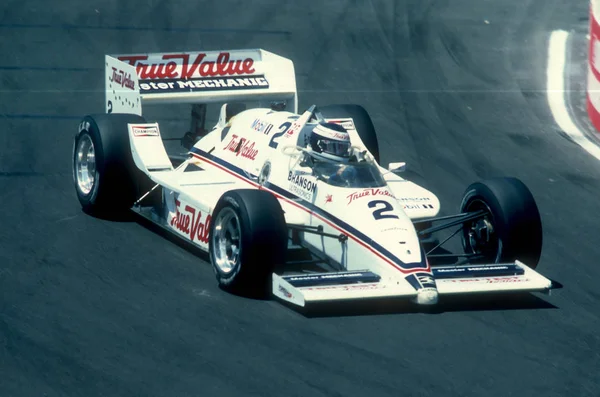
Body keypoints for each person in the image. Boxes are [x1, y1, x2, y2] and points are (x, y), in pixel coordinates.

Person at [306, 122, 358, 186]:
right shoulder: (304, 170)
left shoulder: (347, 168)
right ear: (320, 145)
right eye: (338, 147)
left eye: (344, 147)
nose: (343, 151)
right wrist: (337, 176)